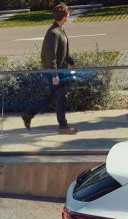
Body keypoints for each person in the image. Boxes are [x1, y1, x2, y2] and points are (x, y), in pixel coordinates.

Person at [22, 3, 78, 135]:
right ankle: (63, 126)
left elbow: (62, 52)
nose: (69, 16)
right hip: (55, 72)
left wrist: (72, 62)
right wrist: (54, 75)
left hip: (59, 71)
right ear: (64, 16)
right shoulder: (53, 32)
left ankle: (28, 114)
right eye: (68, 14)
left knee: (54, 97)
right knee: (60, 97)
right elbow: (50, 55)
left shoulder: (59, 30)